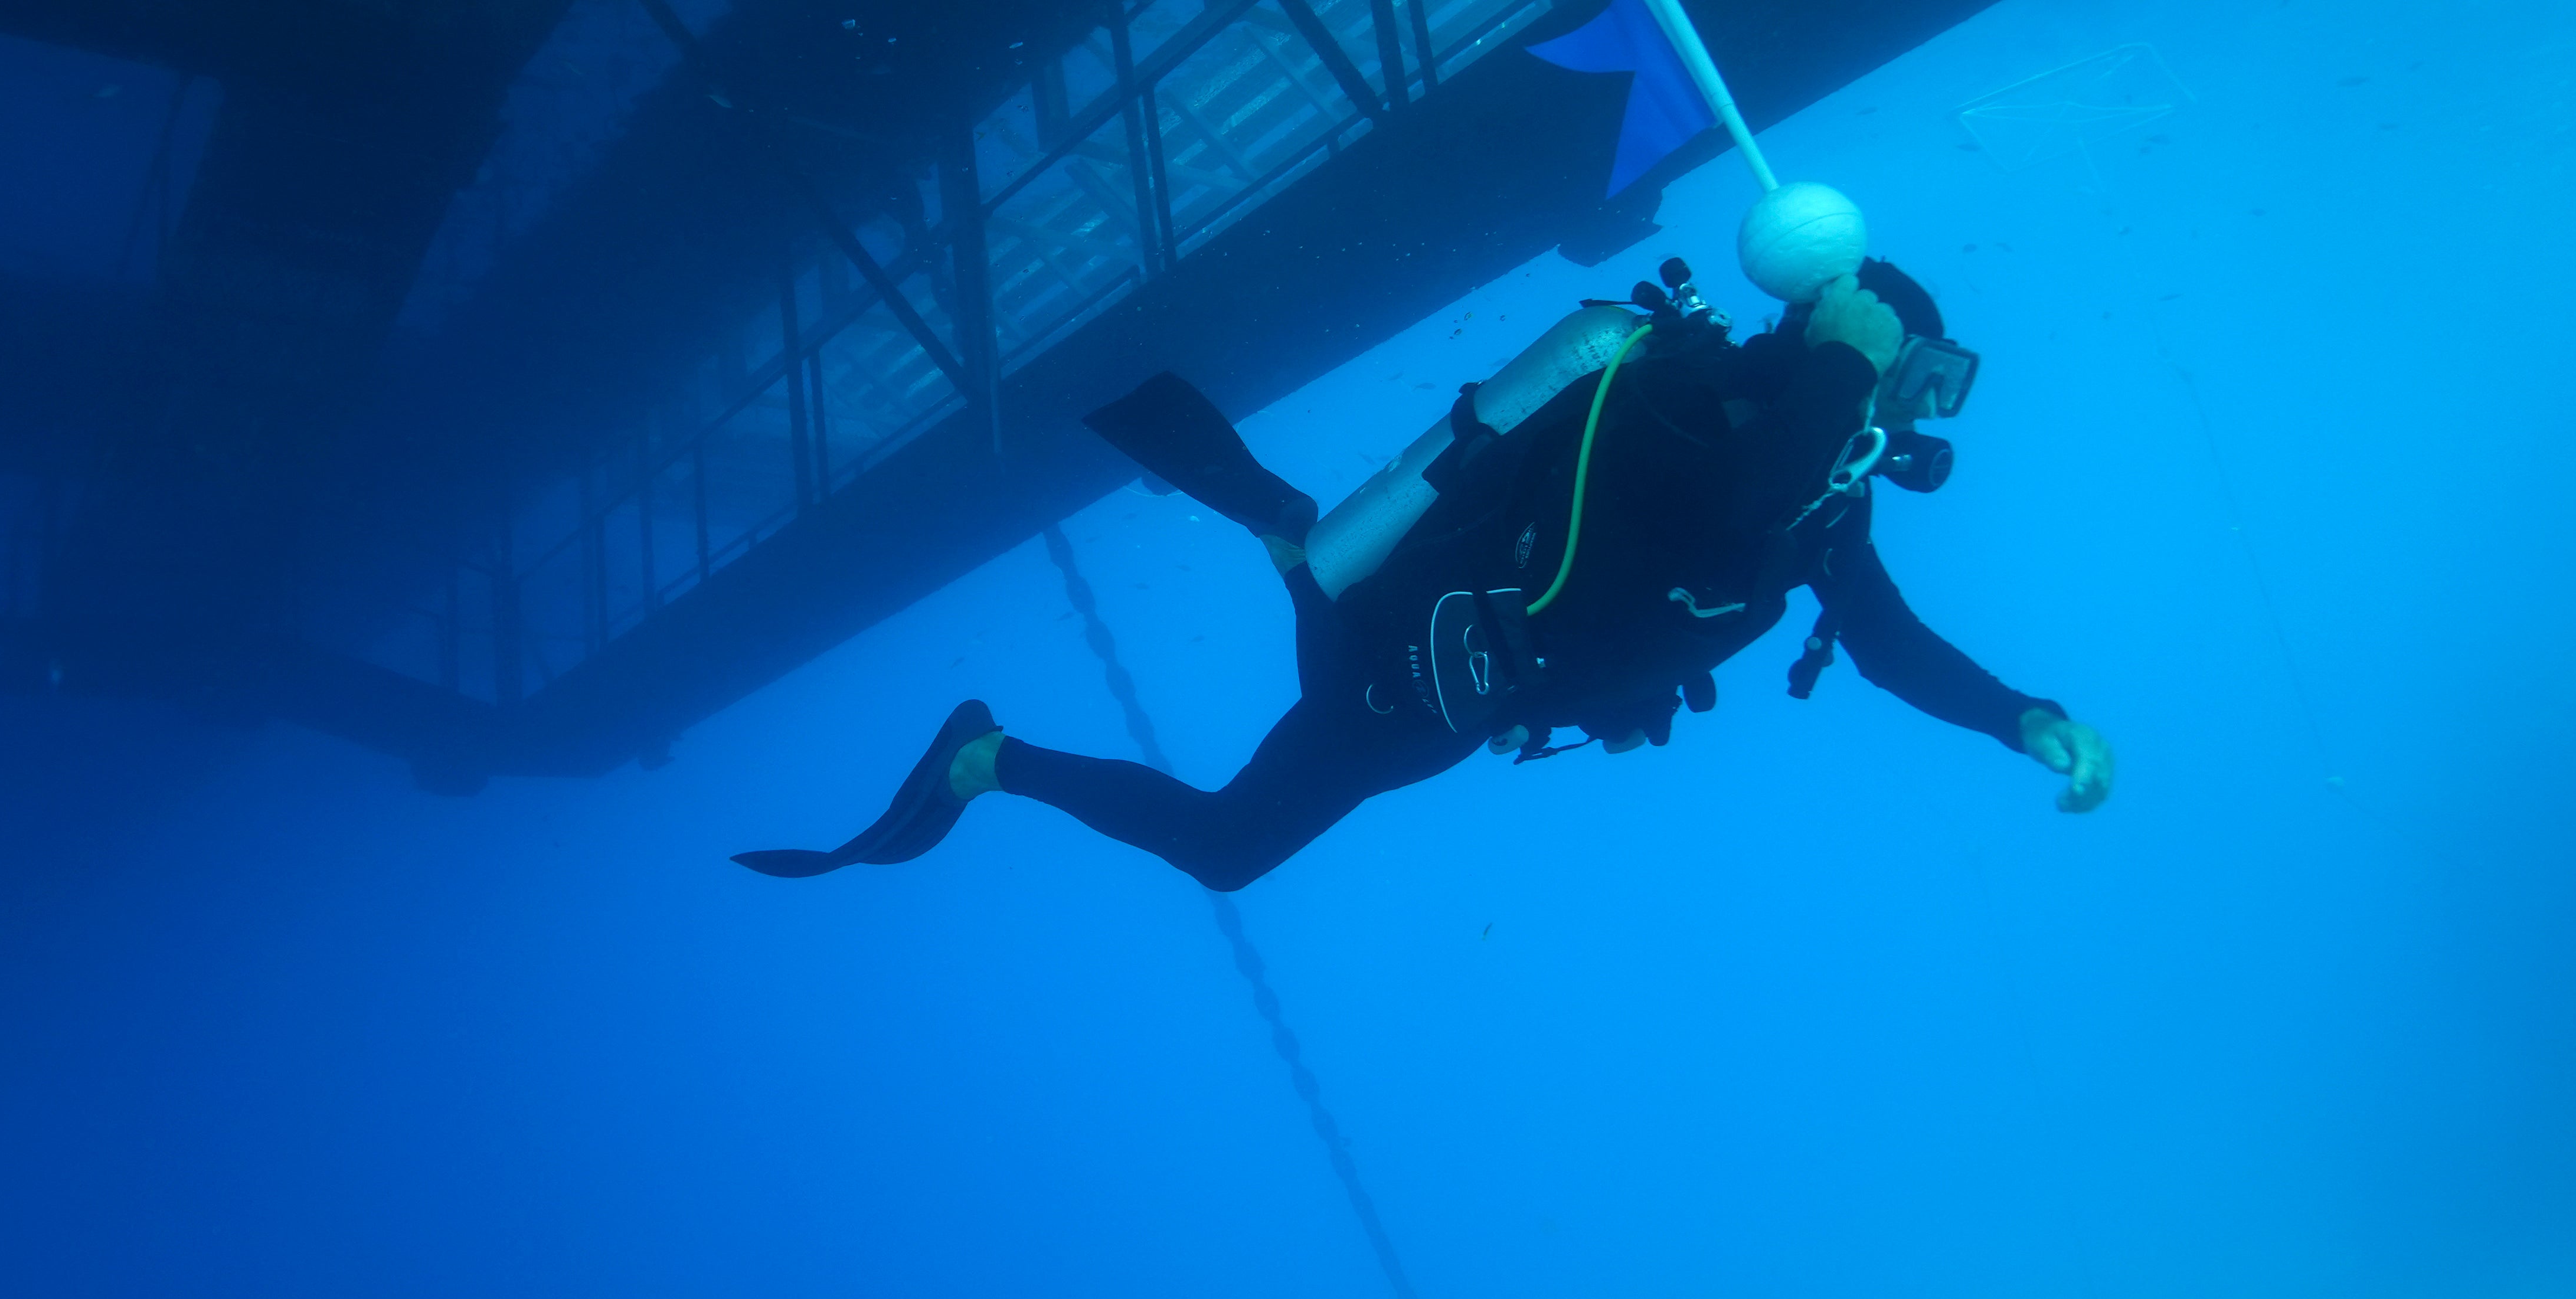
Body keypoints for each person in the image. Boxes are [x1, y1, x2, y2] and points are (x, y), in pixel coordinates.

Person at [732, 256, 2113, 889]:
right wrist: (1840, 366)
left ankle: (1293, 537)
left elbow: (1889, 641)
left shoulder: (1823, 507)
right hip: (1422, 657)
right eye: (1899, 371)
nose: (1909, 407)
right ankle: (986, 755)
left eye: (1923, 387)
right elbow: (1733, 495)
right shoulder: (1683, 404)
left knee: (1267, 771)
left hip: (1471, 698)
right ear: (1835, 348)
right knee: (1227, 846)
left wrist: (2021, 714)